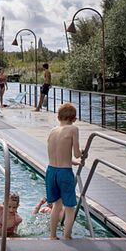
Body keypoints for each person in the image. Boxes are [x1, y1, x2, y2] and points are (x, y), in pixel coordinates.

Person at [46, 103, 84, 240]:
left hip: (51, 171)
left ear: (58, 116)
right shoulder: (73, 129)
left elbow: (56, 154)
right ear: (73, 118)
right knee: (69, 207)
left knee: (56, 205)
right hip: (64, 173)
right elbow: (76, 153)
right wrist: (83, 154)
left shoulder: (53, 131)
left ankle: (52, 236)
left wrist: (74, 162)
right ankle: (67, 236)